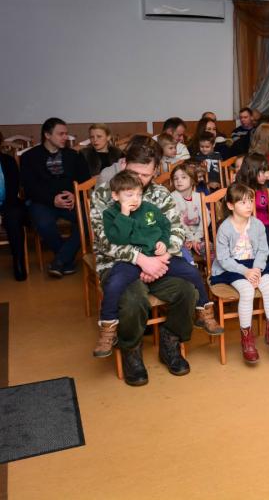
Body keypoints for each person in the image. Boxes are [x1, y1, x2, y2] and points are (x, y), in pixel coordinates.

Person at [89, 140, 202, 386]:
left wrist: (161, 258)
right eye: (134, 173)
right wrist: (141, 260)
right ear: (123, 164)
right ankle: (131, 350)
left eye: (146, 175)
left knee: (187, 291)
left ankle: (171, 340)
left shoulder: (161, 194)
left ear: (156, 171)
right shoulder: (105, 193)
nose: (139, 180)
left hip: (160, 263)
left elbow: (177, 231)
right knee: (133, 299)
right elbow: (105, 241)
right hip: (118, 266)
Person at [93, 169, 220, 357]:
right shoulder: (111, 214)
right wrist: (125, 214)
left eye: (138, 194)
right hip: (130, 261)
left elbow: (165, 226)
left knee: (191, 272)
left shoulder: (149, 208)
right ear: (115, 196)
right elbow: (118, 238)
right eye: (129, 195)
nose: (135, 199)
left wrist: (163, 243)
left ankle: (204, 312)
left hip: (157, 257)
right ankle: (108, 329)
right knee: (114, 284)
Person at [209, 183, 269, 363]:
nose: (249, 205)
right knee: (247, 290)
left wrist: (256, 269)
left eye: (250, 201)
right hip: (232, 267)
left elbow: (263, 251)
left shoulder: (257, 224)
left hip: (255, 263)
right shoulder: (225, 228)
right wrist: (246, 272)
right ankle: (247, 339)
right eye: (243, 202)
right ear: (230, 205)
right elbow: (223, 258)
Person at [20, 117, 90, 277]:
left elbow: (85, 181)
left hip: (70, 201)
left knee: (89, 219)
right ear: (47, 135)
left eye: (66, 133)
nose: (65, 137)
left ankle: (60, 260)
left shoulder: (74, 155)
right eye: (60, 134)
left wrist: (75, 194)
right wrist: (52, 200)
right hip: (42, 202)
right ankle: (66, 260)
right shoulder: (29, 157)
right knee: (44, 224)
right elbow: (29, 188)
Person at [234, 153, 269, 251]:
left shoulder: (266, 186)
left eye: (267, 171)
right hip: (248, 229)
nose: (266, 175)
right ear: (251, 171)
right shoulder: (241, 189)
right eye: (263, 171)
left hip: (267, 227)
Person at [0, 132, 27, 280]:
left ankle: (18, 262)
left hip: (8, 202)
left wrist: (5, 207)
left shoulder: (8, 161)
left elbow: (14, 186)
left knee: (13, 216)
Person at [170, 163, 205, 266]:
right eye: (175, 178)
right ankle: (192, 268)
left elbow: (205, 219)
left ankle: (213, 272)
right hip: (181, 236)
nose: (179, 180)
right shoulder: (172, 198)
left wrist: (197, 238)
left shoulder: (199, 197)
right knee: (181, 251)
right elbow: (178, 221)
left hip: (199, 236)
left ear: (192, 180)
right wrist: (190, 238)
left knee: (210, 248)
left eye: (183, 177)